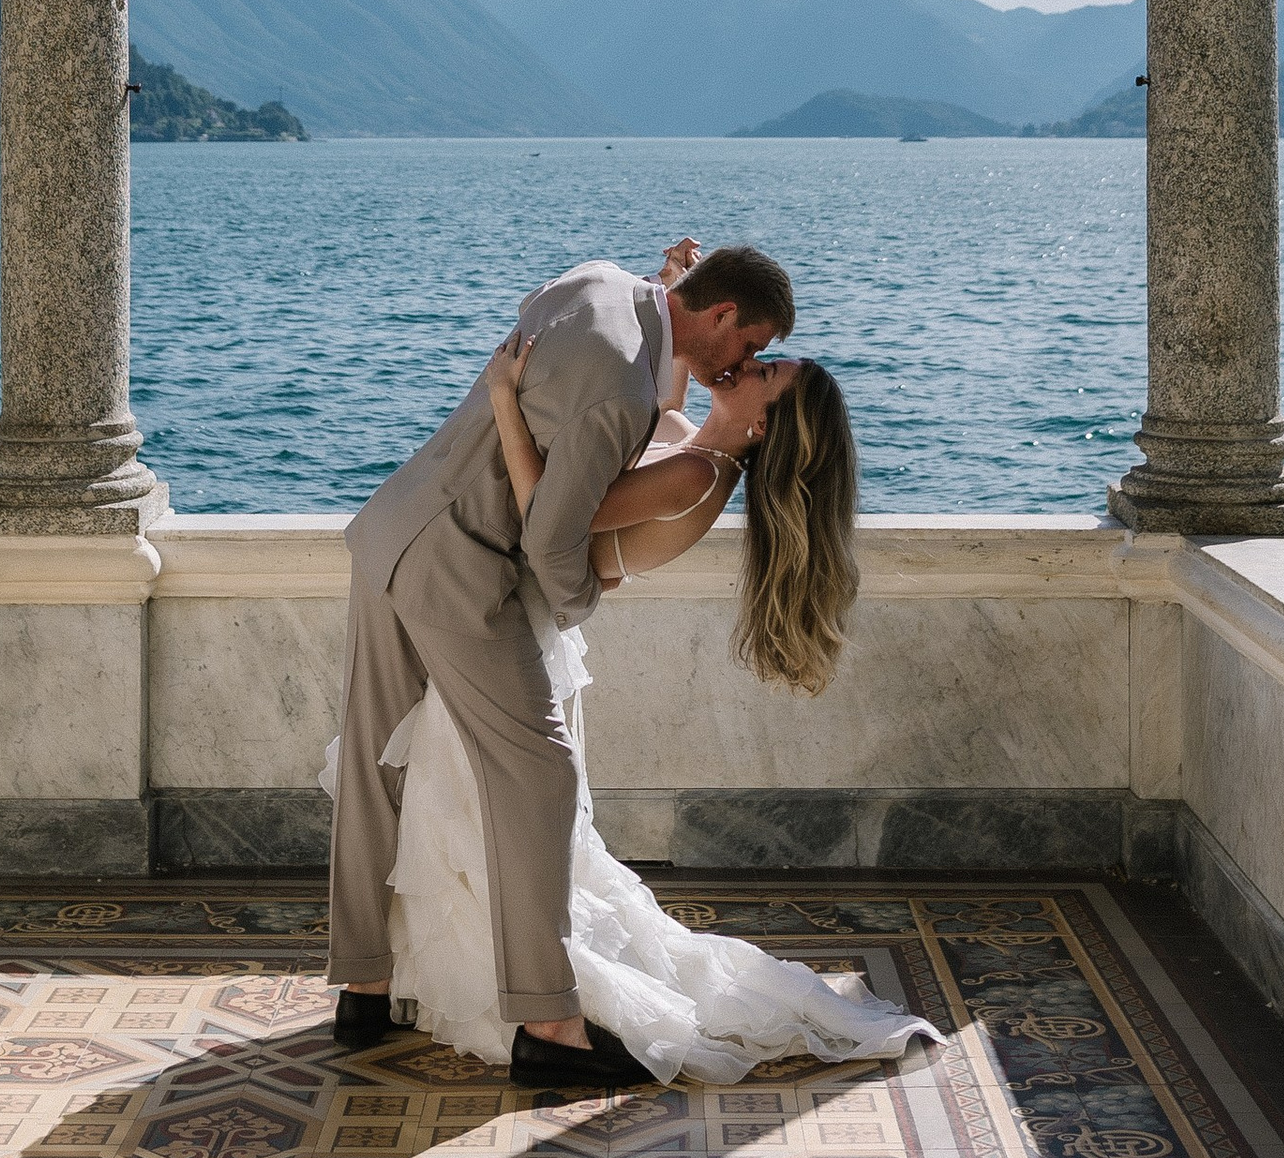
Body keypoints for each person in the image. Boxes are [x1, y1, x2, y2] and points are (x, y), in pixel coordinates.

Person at [362, 328, 937, 1084]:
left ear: (761, 423)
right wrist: (679, 317)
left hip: (516, 630)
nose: (743, 366)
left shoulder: (696, 477)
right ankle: (462, 981)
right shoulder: (696, 448)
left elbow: (547, 519)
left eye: (761, 371)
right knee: (471, 809)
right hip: (510, 619)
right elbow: (657, 410)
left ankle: (528, 1004)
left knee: (488, 809)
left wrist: (503, 398)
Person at [328, 240, 795, 1092]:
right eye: (752, 343)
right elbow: (553, 541)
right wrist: (569, 605)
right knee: (539, 773)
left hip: (392, 524)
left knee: (373, 759)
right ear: (721, 314)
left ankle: (364, 988)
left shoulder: (596, 283)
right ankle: (548, 1023)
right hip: (462, 568)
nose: (750, 361)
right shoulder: (627, 395)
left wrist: (661, 293)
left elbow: (600, 390)